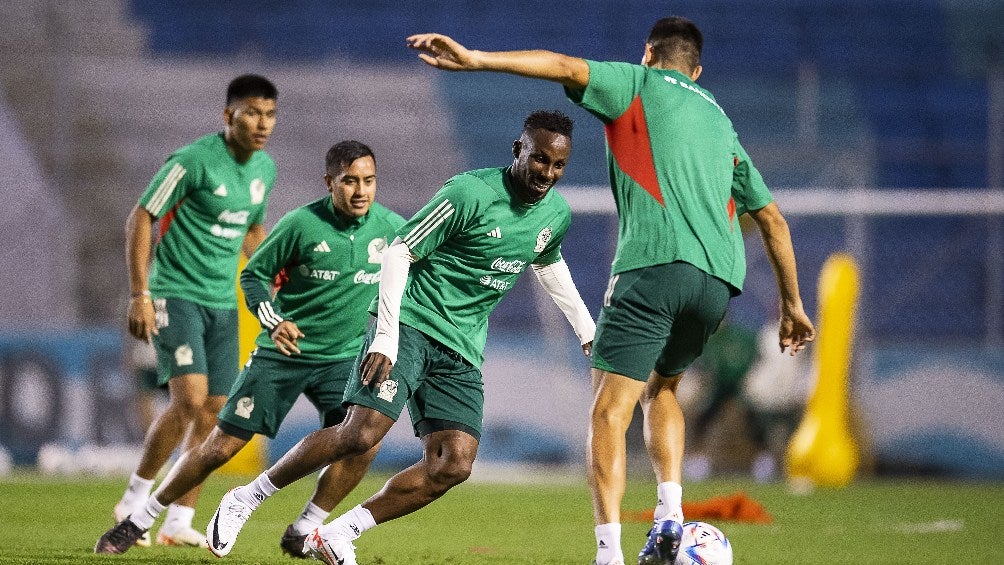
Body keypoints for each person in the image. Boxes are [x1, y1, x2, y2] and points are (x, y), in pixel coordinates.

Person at [406, 17, 816, 565]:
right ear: (697, 70)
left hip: (652, 267)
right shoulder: (721, 121)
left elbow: (564, 66)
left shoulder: (638, 84)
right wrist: (793, 305)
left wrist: (477, 58)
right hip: (719, 282)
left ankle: (609, 555)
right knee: (663, 390)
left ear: (650, 54)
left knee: (608, 411)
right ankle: (670, 516)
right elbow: (773, 220)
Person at [204, 110, 595, 564]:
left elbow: (548, 263)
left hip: (462, 346)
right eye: (539, 159)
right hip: (410, 322)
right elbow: (399, 250)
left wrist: (587, 331)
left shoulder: (555, 213)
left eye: (557, 165)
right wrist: (385, 336)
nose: (547, 173)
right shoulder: (470, 192)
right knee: (359, 434)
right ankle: (245, 499)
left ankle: (341, 533)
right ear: (518, 150)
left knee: (453, 464)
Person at [95, 140, 406, 555]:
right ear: (329, 182)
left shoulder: (392, 229)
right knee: (220, 446)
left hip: (343, 359)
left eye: (369, 181)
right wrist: (274, 322)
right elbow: (254, 277)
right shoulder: (300, 225)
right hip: (283, 355)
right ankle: (141, 517)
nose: (361, 191)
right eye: (349, 181)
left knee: (364, 441)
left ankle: (306, 527)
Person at [110, 74, 278, 548]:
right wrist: (139, 293)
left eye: (269, 114)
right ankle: (134, 499)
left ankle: (179, 518)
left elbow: (251, 231)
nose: (261, 123)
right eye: (251, 112)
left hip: (223, 302)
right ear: (228, 116)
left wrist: (275, 271)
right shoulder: (192, 162)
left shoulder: (265, 169)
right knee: (188, 402)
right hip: (174, 293)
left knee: (215, 412)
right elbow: (141, 216)